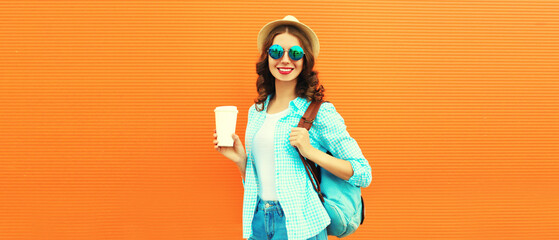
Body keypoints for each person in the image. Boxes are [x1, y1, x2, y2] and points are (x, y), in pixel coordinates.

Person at [213, 15, 372, 240]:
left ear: (305, 60)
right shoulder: (256, 112)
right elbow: (264, 178)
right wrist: (241, 161)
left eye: (295, 53)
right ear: (267, 57)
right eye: (277, 52)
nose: (285, 60)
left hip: (301, 225)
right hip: (258, 220)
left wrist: (310, 152)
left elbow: (363, 173)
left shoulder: (320, 113)